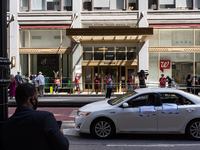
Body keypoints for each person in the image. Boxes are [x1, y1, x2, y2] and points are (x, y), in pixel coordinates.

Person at [0, 83, 69, 150]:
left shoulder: (6, 125)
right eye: (37, 98)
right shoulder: (46, 118)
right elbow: (63, 146)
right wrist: (60, 134)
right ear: (32, 99)